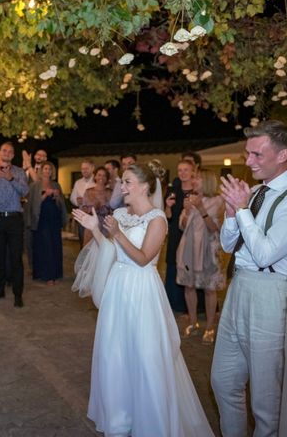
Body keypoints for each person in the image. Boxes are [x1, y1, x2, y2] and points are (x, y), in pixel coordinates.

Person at [72, 163, 213, 437]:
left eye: (127, 182)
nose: (121, 187)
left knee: (145, 356)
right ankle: (120, 418)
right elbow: (112, 251)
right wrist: (96, 230)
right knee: (116, 354)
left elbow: (143, 258)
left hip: (142, 291)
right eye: (121, 182)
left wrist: (116, 234)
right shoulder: (121, 213)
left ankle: (151, 422)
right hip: (118, 289)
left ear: (145, 186)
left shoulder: (157, 219)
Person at [211, 120, 287, 437]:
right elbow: (228, 245)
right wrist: (233, 214)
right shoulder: (256, 192)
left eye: (257, 155)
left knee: (265, 398)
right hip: (240, 287)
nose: (248, 162)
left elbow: (265, 254)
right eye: (247, 153)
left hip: (272, 295)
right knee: (223, 380)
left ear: (284, 154)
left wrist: (242, 210)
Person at [176, 169, 224, 344]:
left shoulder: (218, 201)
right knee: (189, 286)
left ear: (208, 181)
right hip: (188, 249)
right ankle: (193, 322)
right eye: (194, 177)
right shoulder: (189, 199)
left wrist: (201, 209)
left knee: (209, 289)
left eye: (197, 178)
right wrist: (187, 211)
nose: (194, 180)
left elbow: (214, 228)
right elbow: (182, 226)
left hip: (208, 250)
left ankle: (210, 326)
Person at [0, 142, 29, 307]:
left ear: (13, 154)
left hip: (15, 219)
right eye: (4, 150)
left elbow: (25, 191)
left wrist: (11, 178)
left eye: (10, 151)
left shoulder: (19, 172)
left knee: (16, 258)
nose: (7, 153)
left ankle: (18, 294)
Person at [164, 159, 196, 312]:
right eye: (180, 170)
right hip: (176, 234)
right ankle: (175, 303)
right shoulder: (173, 190)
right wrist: (167, 207)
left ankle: (195, 306)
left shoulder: (198, 192)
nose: (182, 173)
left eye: (186, 170)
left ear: (192, 172)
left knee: (192, 266)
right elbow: (168, 217)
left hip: (194, 235)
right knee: (173, 264)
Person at [28, 162, 67, 285]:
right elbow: (32, 204)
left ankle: (55, 273)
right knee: (45, 246)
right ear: (41, 170)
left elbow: (61, 204)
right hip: (41, 219)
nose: (47, 171)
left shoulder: (56, 185)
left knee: (55, 245)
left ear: (52, 171)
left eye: (50, 169)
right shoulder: (35, 185)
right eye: (45, 169)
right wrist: (46, 194)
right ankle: (45, 275)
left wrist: (57, 196)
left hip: (54, 219)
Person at [80, 167, 112, 245]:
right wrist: (91, 209)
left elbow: (114, 210)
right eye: (99, 175)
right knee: (89, 251)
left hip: (106, 226)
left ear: (107, 178)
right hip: (91, 225)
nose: (101, 177)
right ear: (95, 176)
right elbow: (83, 208)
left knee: (104, 250)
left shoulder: (110, 192)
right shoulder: (88, 192)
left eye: (104, 175)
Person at [69, 160, 95, 246]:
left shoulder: (97, 181)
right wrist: (77, 201)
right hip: (82, 216)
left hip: (94, 216)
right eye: (82, 168)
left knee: (93, 242)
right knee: (82, 241)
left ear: (92, 168)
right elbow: (72, 198)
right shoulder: (78, 182)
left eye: (86, 168)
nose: (84, 170)